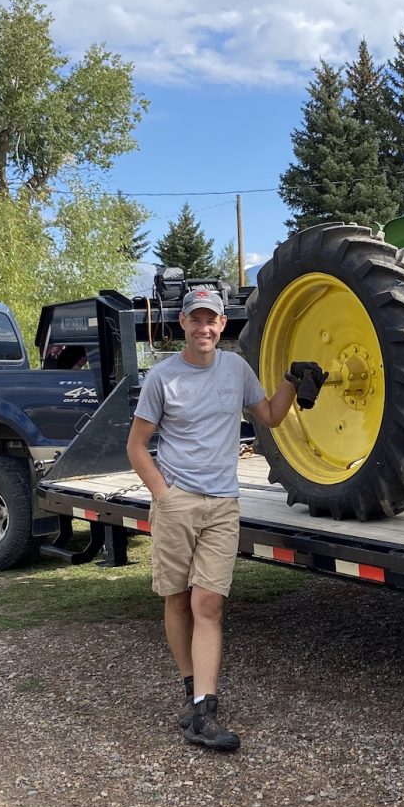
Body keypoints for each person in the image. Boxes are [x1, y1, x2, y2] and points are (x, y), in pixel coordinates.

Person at [125, 287, 323, 752]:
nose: (204, 328)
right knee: (177, 599)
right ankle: (190, 690)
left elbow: (270, 416)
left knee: (209, 604)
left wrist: (292, 380)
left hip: (222, 504)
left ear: (221, 324)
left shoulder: (235, 369)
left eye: (211, 320)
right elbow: (136, 446)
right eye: (196, 319)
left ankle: (204, 711)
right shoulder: (163, 378)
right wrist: (163, 495)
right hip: (178, 502)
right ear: (182, 323)